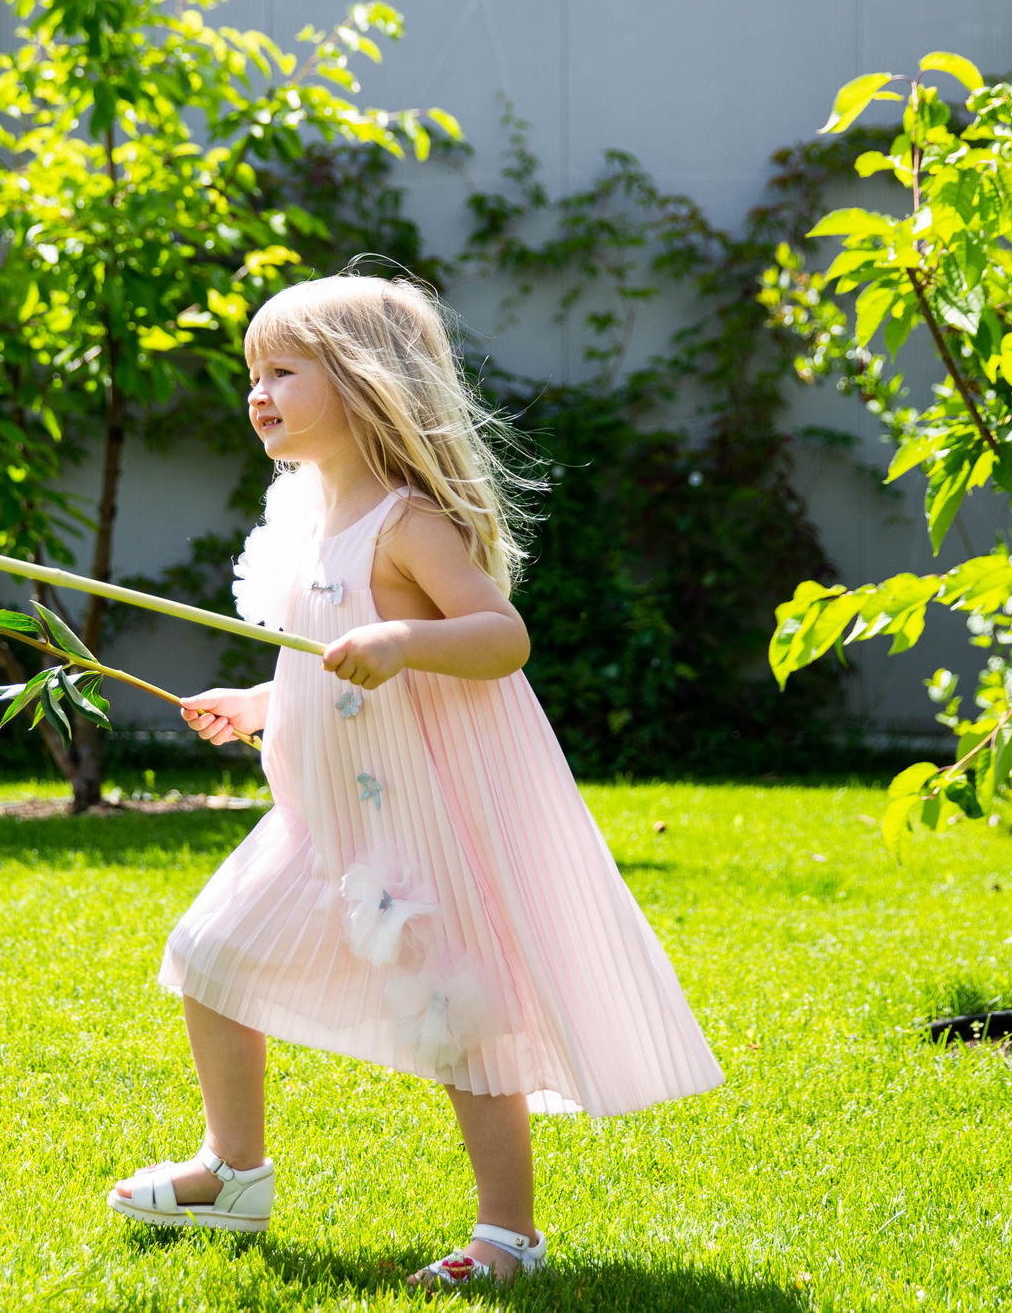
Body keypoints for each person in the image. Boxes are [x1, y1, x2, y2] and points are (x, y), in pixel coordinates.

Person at [106, 271, 722, 1289]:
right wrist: (263, 702)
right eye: (251, 374)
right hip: (320, 824)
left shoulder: (404, 523)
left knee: (459, 1022)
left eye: (283, 370)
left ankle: (507, 1234)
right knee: (208, 956)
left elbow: (500, 636)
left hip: (411, 833)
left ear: (361, 383)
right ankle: (234, 1170)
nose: (257, 392)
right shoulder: (309, 520)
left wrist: (403, 638)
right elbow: (318, 655)